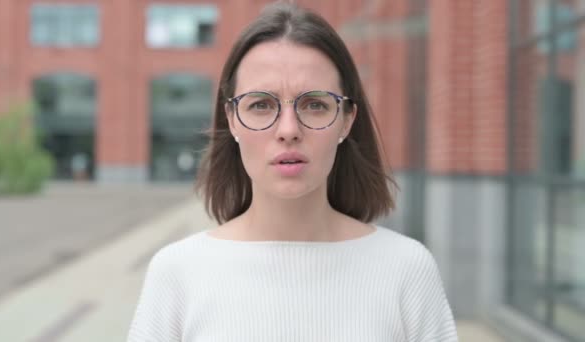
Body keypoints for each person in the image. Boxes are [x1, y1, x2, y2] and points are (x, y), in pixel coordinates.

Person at [127, 2, 458, 341]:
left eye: (315, 104)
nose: (288, 129)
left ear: (347, 120)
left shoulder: (406, 269)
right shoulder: (177, 273)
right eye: (261, 104)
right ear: (231, 120)